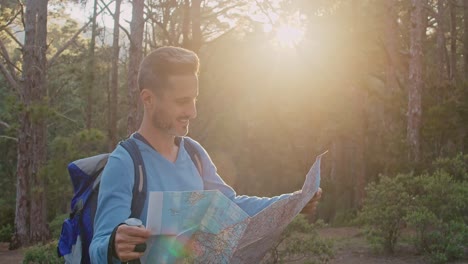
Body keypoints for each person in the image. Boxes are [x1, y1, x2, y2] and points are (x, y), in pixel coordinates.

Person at [89, 46, 322, 263]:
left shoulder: (194, 153)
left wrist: (293, 201)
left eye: (194, 99)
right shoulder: (125, 162)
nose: (192, 112)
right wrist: (113, 244)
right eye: (182, 101)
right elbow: (98, 245)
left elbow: (231, 206)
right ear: (148, 99)